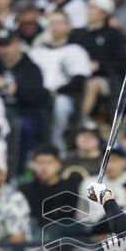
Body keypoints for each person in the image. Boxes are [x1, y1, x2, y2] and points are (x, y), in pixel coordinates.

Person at [28, 11, 92, 150]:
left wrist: (55, 91)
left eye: (59, 23)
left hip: (63, 96)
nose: (55, 27)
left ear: (69, 26)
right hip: (36, 96)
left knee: (61, 105)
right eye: (52, 23)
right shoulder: (37, 52)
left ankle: (58, 146)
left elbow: (79, 80)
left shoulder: (76, 51)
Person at [0, 30, 50, 161]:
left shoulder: (31, 68)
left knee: (22, 128)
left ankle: (21, 167)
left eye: (7, 45)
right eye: (0, 46)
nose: (3, 50)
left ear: (18, 45)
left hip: (25, 112)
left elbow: (35, 98)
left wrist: (6, 86)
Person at [71, 0, 126, 122]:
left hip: (106, 79)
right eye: (89, 7)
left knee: (93, 84)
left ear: (104, 13)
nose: (88, 10)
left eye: (93, 8)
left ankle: (78, 123)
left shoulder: (113, 34)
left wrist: (99, 66)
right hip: (78, 76)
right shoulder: (78, 34)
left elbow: (121, 63)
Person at [21, 145, 81, 228]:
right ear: (34, 165)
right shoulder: (26, 189)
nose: (44, 167)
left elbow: (67, 220)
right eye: (40, 162)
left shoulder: (70, 189)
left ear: (58, 164)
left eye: (49, 162)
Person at [79, 147, 126, 225]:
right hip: (93, 227)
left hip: (125, 227)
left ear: (124, 162)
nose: (109, 165)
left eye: (114, 160)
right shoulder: (89, 183)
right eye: (106, 161)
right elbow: (82, 214)